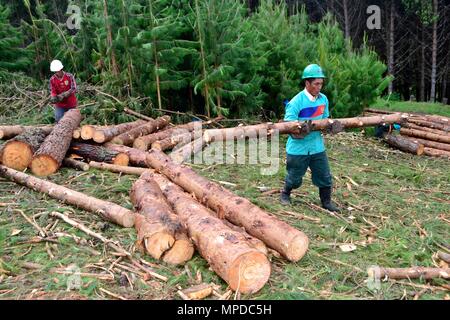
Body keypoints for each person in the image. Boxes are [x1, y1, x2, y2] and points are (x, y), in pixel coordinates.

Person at [280, 64, 343, 212]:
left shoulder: (323, 100)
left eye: (321, 83)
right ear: (307, 83)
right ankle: (285, 194)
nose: (319, 87)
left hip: (316, 146)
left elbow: (325, 120)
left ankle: (326, 202)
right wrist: (300, 129)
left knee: (324, 175)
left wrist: (330, 127)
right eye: (316, 84)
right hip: (298, 148)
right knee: (294, 178)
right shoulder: (296, 102)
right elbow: (288, 126)